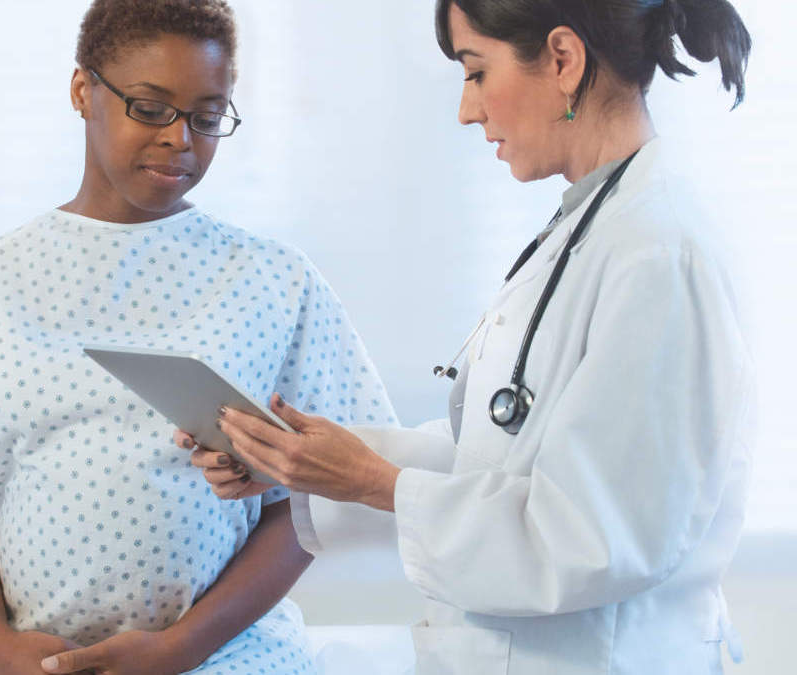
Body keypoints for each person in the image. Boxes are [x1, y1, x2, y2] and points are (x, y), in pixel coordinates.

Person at [182, 1, 755, 673]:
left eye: (476, 72)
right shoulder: (586, 233)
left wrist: (374, 480)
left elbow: (590, 537)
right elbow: (497, 454)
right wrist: (301, 463)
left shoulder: (659, 253)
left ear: (564, 60)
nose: (467, 109)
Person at [0, 1, 396, 673]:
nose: (180, 138)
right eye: (150, 107)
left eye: (207, 117)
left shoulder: (275, 283)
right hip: (5, 650)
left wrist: (182, 647)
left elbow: (312, 503)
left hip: (218, 650)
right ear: (84, 90)